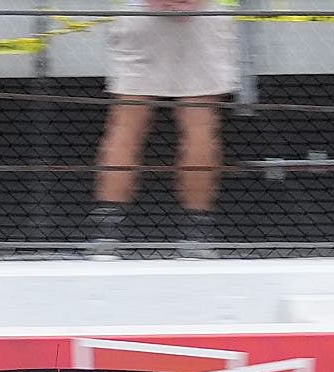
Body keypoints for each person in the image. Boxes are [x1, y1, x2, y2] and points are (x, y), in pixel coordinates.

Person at [86, 0, 238, 253]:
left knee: (126, 126)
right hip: (202, 14)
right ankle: (196, 235)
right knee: (199, 126)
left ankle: (107, 234)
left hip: (142, 12)